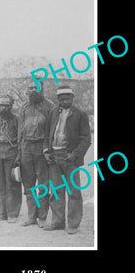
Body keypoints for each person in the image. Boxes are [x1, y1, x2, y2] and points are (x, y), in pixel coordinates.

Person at [43, 85, 91, 234]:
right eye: (62, 99)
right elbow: (46, 135)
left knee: (74, 192)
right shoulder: (52, 113)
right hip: (54, 158)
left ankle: (73, 224)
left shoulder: (80, 114)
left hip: (70, 158)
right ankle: (57, 222)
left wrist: (75, 155)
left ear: (72, 98)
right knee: (56, 191)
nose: (65, 101)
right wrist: (46, 151)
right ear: (58, 100)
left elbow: (86, 139)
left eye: (68, 98)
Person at [15, 81, 55, 227]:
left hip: (42, 147)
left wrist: (48, 149)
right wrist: (19, 152)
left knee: (43, 184)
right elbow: (20, 130)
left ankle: (42, 217)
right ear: (27, 91)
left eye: (36, 88)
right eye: (30, 88)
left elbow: (51, 130)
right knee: (28, 184)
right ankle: (31, 216)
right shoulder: (24, 107)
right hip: (26, 147)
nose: (33, 91)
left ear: (42, 89)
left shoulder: (50, 106)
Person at [0, 95, 22, 223]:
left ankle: (13, 213)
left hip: (12, 153)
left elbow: (21, 139)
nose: (4, 108)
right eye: (1, 105)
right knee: (0, 184)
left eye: (6, 105)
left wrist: (18, 156)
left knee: (12, 184)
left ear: (11, 105)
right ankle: (2, 212)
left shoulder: (17, 119)